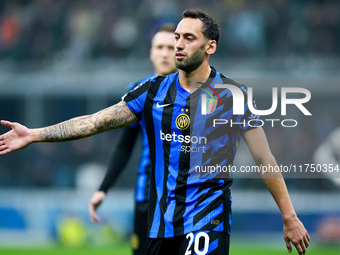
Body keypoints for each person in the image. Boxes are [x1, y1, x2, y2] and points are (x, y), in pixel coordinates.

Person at [0, 9, 310, 255]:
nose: (178, 44)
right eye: (177, 37)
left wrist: (289, 215)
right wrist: (35, 134)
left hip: (208, 223)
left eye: (189, 38)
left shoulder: (233, 97)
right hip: (159, 227)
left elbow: (264, 158)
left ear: (210, 46)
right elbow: (95, 121)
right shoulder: (151, 92)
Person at [88, 23, 177, 255]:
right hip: (147, 196)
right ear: (151, 52)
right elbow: (125, 145)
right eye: (160, 47)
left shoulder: (198, 93)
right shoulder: (138, 91)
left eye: (171, 47)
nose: (165, 53)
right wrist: (103, 188)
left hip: (185, 198)